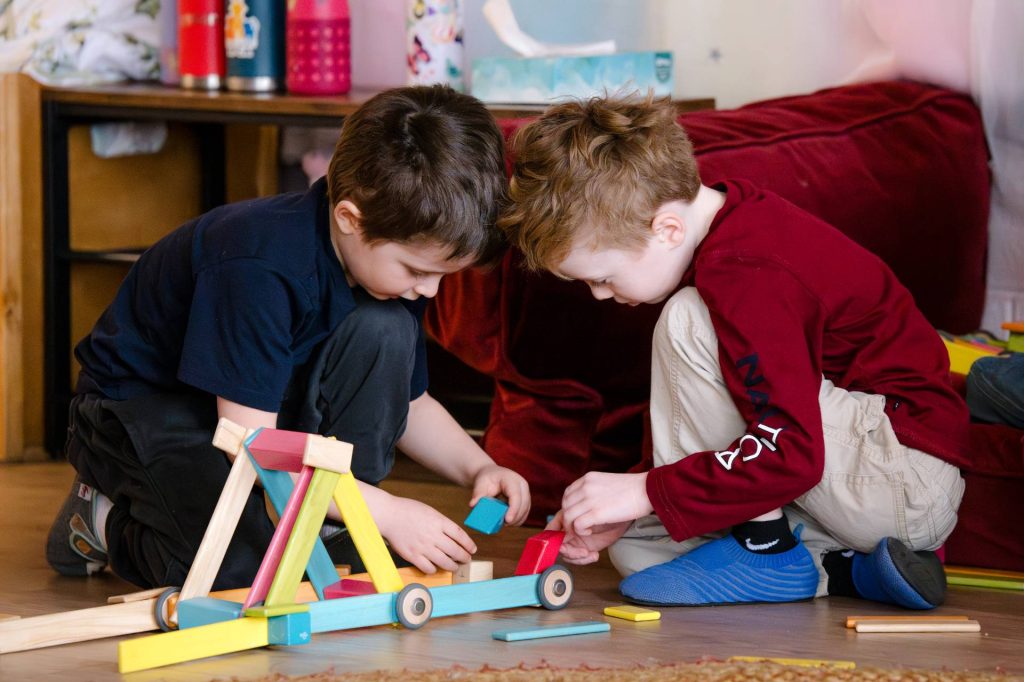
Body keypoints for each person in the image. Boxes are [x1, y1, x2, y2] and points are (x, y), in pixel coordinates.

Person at [46, 85, 530, 589]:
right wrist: (383, 510)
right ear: (349, 219)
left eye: (441, 275)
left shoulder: (389, 268)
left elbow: (411, 402)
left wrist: (479, 467)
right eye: (416, 270)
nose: (427, 290)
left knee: (383, 328)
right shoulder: (258, 266)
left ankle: (332, 516)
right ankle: (98, 518)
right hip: (140, 413)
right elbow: (255, 447)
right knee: (241, 573)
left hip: (255, 412)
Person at [498, 94, 968, 609]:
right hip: (844, 474)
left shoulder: (745, 275)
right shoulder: (727, 224)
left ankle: (767, 553)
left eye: (604, 279)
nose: (602, 297)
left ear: (667, 229)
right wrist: (632, 505)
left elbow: (791, 449)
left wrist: (646, 491)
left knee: (687, 320)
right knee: (637, 551)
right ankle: (853, 568)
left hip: (901, 476)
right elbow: (729, 421)